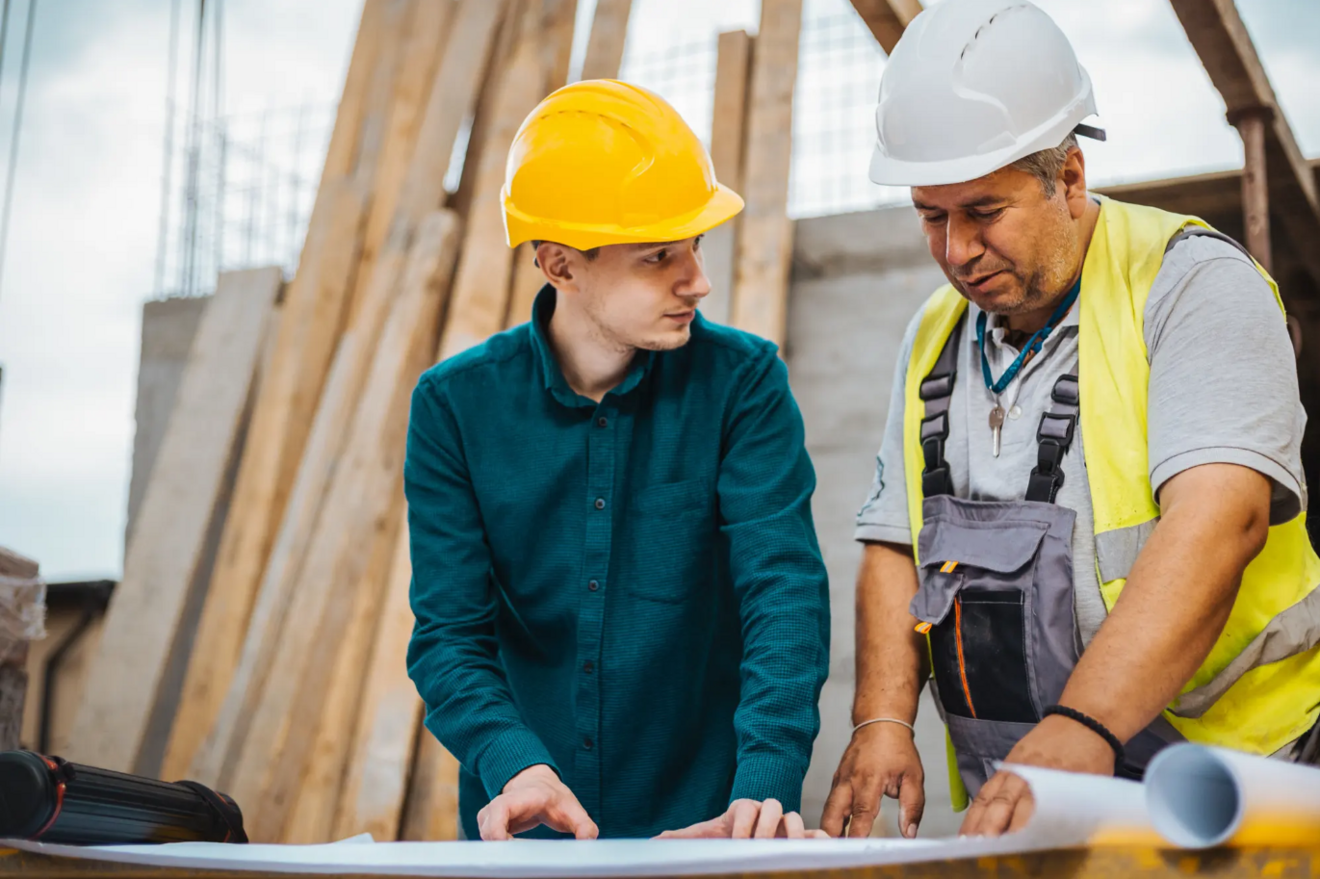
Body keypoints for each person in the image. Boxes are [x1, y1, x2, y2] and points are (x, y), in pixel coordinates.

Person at [823, 0, 1320, 840]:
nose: (955, 251)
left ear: (1069, 178)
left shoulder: (1191, 287)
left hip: (1229, 789)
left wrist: (1084, 723)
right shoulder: (932, 336)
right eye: (931, 215)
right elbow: (893, 542)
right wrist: (880, 720)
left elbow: (1221, 519)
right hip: (1031, 800)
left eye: (983, 211)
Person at [404, 80, 831, 841]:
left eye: (695, 246)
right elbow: (448, 635)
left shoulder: (743, 383)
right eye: (658, 257)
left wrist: (762, 789)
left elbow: (783, 589)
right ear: (560, 265)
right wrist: (514, 764)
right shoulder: (453, 408)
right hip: (527, 836)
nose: (697, 280)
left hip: (710, 830)